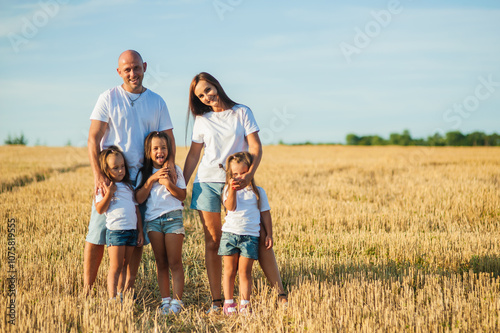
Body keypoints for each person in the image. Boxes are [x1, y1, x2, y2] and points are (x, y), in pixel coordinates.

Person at [183, 72, 287, 313]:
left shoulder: (242, 112)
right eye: (201, 95)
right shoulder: (202, 119)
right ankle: (218, 302)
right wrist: (182, 185)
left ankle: (280, 293)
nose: (206, 96)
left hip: (238, 182)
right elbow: (194, 155)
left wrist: (249, 174)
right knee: (213, 240)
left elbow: (255, 147)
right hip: (207, 182)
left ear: (216, 85)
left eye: (208, 90)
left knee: (257, 235)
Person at [84, 50, 176, 295]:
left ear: (144, 67)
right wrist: (97, 174)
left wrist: (171, 168)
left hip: (143, 178)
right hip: (112, 176)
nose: (133, 73)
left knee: (136, 236)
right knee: (98, 234)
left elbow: (168, 138)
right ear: (119, 72)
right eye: (127, 69)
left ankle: (127, 290)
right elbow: (93, 138)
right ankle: (88, 288)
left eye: (136, 67)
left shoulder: (157, 101)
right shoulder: (108, 98)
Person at [135, 131, 186, 314]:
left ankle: (177, 303)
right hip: (153, 222)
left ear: (169, 150)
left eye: (163, 147)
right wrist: (151, 180)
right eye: (155, 148)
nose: (160, 151)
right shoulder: (144, 173)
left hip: (173, 218)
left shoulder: (175, 170)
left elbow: (182, 195)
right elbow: (139, 199)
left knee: (175, 262)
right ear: (148, 151)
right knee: (161, 262)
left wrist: (168, 184)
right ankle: (165, 301)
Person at [219, 152, 274, 315]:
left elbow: (265, 214)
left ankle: (245, 304)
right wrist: (233, 189)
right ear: (230, 175)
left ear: (250, 172)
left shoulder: (258, 192)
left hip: (250, 237)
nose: (239, 177)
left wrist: (269, 234)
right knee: (229, 270)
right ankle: (228, 304)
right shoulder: (227, 190)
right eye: (235, 174)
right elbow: (231, 207)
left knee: (245, 272)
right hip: (230, 235)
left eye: (242, 173)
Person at [95, 146, 144, 301]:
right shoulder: (103, 188)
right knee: (115, 267)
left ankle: (121, 294)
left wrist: (140, 232)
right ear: (106, 170)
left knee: (124, 265)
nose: (121, 171)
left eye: (122, 166)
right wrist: (109, 193)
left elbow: (136, 210)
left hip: (131, 231)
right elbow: (100, 209)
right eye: (115, 168)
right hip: (116, 232)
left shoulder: (129, 187)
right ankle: (112, 297)